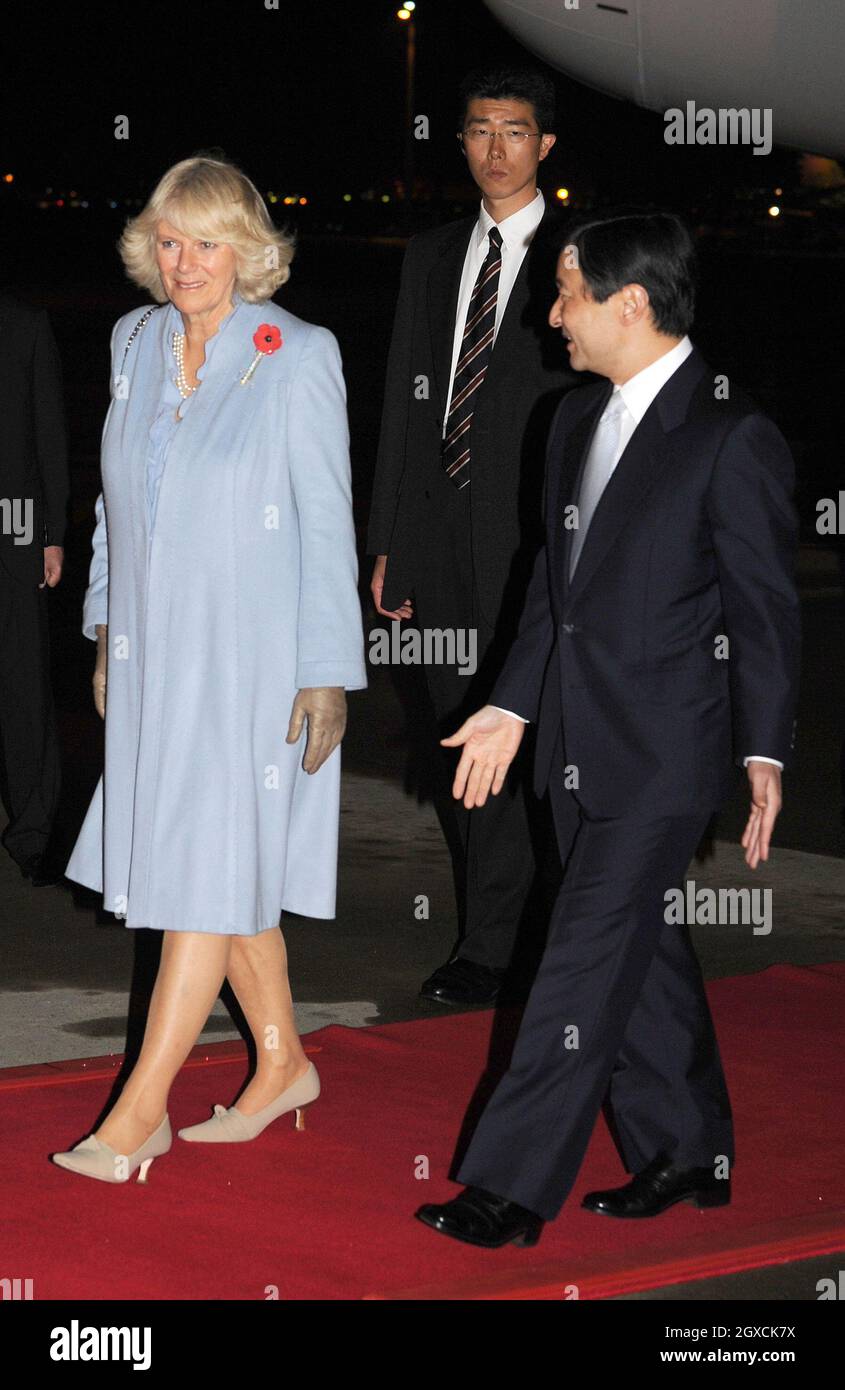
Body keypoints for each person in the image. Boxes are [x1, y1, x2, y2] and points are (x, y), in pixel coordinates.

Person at [416, 209, 801, 1247]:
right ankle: (685, 1148)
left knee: (574, 960)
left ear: (628, 304)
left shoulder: (729, 435)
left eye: (566, 295)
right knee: (639, 953)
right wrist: (508, 703)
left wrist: (762, 750)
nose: (550, 319)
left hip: (665, 756)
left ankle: (507, 1189)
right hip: (570, 746)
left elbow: (761, 609)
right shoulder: (568, 423)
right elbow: (554, 586)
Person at [53, 156, 366, 1184]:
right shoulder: (133, 341)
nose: (187, 262)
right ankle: (280, 1063)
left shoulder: (295, 353)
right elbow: (111, 500)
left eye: (209, 241)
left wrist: (326, 667)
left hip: (251, 659)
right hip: (153, 650)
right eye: (171, 241)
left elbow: (326, 520)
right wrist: (104, 626)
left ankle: (138, 1113)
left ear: (249, 248)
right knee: (217, 866)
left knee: (198, 873)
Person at [368, 67, 576, 1007]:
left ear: (544, 147)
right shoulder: (429, 254)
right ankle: (489, 944)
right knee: (463, 743)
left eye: (515, 131)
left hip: (541, 545)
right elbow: (403, 412)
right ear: (460, 142)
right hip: (440, 542)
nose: (495, 147)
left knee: (548, 750)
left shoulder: (584, 254)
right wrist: (387, 542)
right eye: (479, 130)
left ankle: (561, 938)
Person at [0, 294, 69, 885]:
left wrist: (51, 535)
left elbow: (49, 429)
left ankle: (32, 831)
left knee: (21, 683)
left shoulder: (25, 323)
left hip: (13, 532)